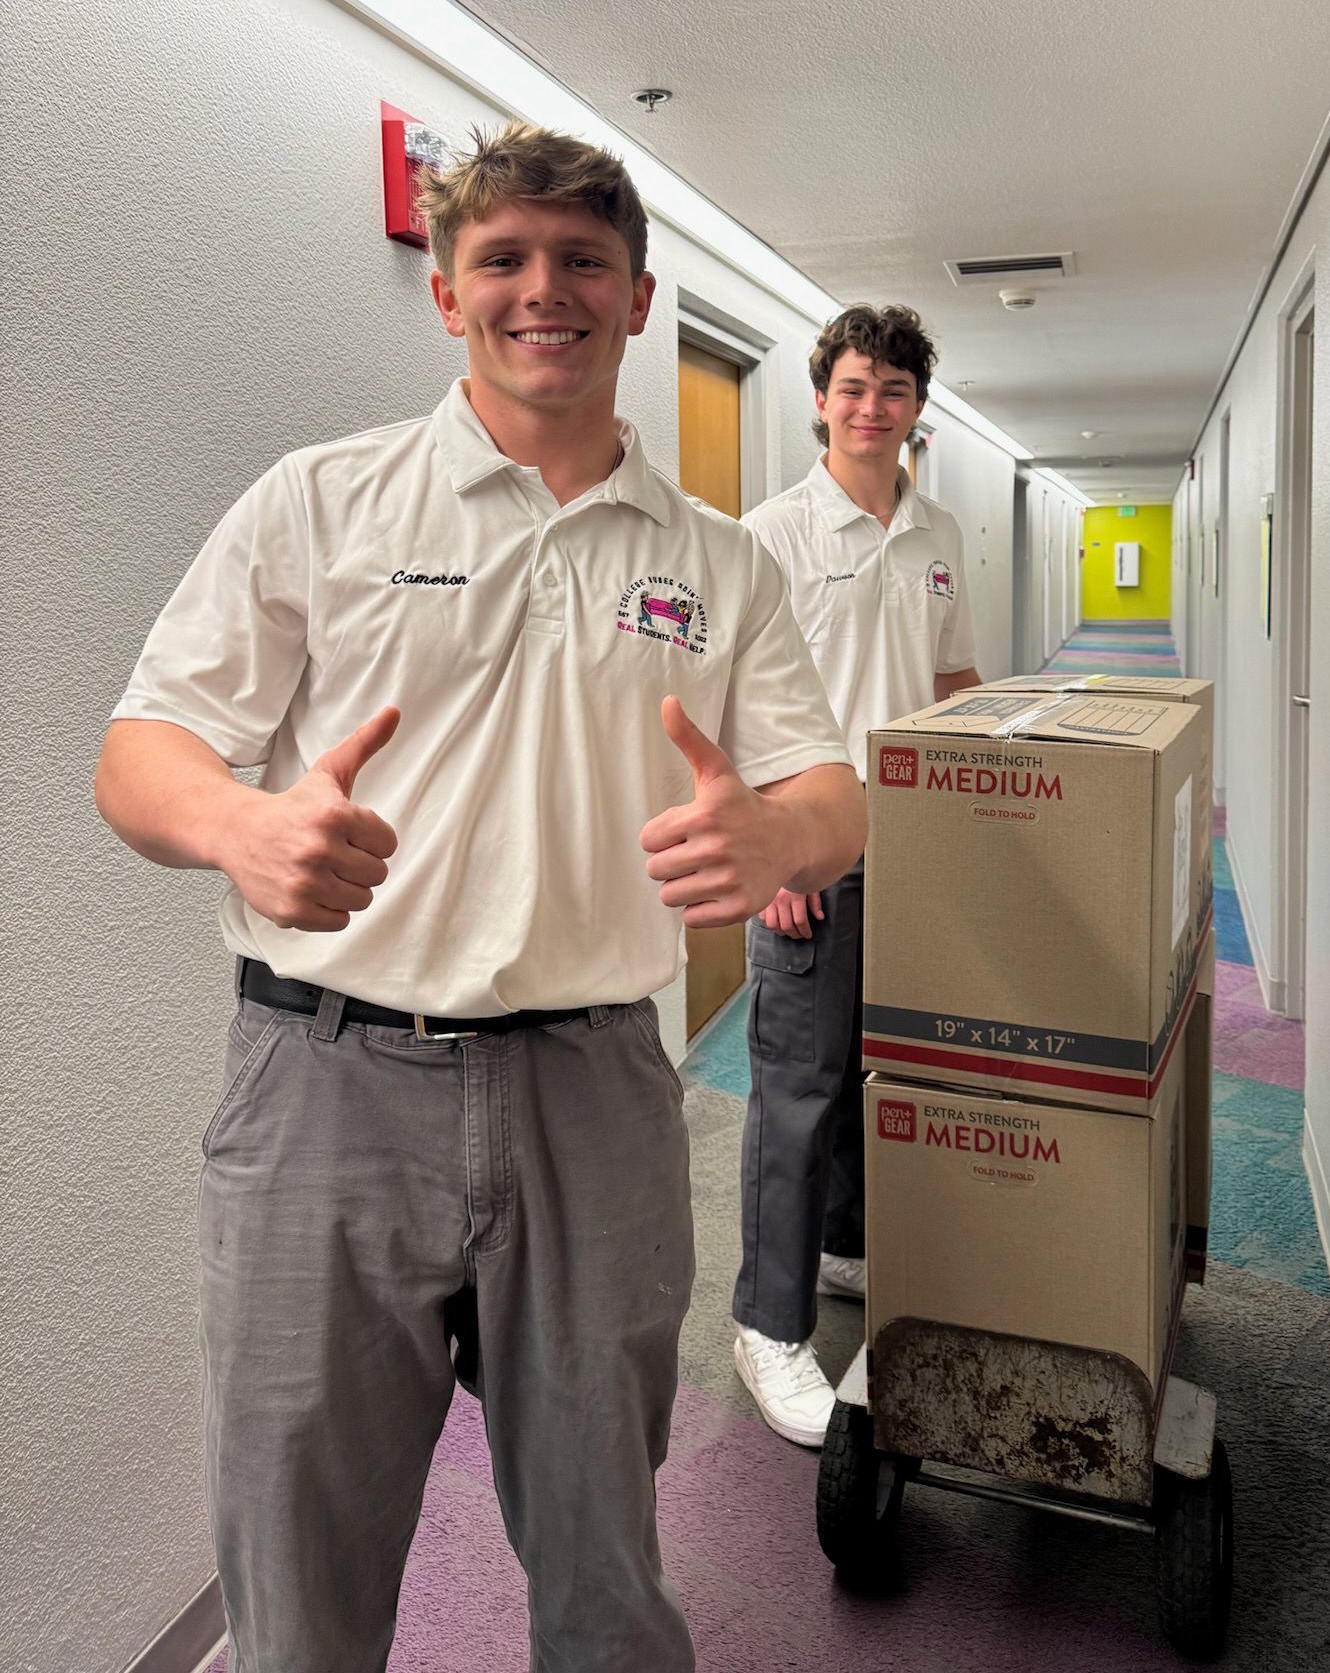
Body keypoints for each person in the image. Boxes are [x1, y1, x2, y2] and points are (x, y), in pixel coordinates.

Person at [93, 122, 866, 1673]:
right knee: (295, 1563)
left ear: (641, 300)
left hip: (593, 1083)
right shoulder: (323, 503)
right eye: (502, 259)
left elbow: (829, 787)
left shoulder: (722, 565)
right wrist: (241, 828)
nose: (543, 291)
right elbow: (142, 750)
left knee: (605, 1558)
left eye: (583, 261)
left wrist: (783, 846)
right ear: (447, 294)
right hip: (324, 1083)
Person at [730, 305, 982, 1446]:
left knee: (879, 1068)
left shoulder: (937, 533)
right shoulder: (772, 532)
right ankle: (767, 1325)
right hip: (812, 851)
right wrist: (771, 847)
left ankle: (841, 1252)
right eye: (852, 385)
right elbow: (727, 697)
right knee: (797, 1086)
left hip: (916, 848)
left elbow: (960, 677)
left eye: (893, 388)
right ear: (820, 397)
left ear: (919, 404)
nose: (871, 406)